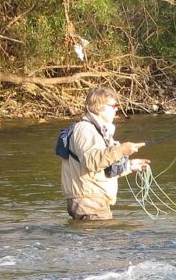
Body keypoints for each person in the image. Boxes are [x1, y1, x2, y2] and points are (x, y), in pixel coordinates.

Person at [61, 87, 150, 220]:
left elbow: (103, 169)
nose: (116, 109)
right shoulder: (85, 129)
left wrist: (129, 166)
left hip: (94, 202)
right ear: (99, 107)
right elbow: (91, 162)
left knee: (108, 239)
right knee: (106, 240)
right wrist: (121, 150)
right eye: (114, 105)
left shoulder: (99, 130)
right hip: (88, 203)